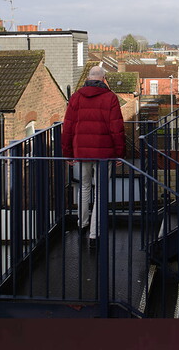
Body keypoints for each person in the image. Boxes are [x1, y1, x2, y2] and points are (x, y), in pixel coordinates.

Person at [61, 65, 126, 246]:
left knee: (84, 187)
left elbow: (68, 127)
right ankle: (94, 233)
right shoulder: (110, 98)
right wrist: (120, 153)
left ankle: (82, 224)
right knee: (100, 191)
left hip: (82, 152)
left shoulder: (76, 97)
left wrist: (68, 153)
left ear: (88, 78)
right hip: (104, 154)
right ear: (104, 79)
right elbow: (117, 128)